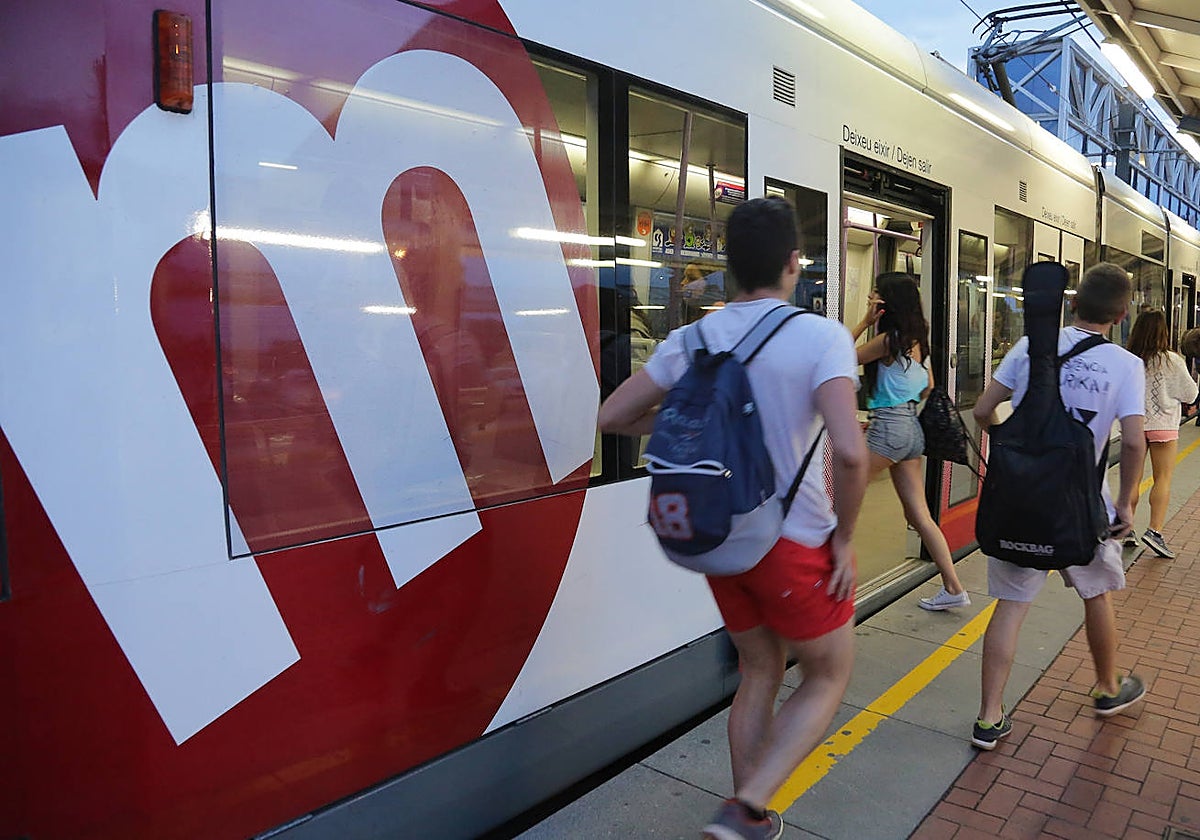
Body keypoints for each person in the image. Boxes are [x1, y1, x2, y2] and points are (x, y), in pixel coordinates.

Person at [598, 197, 868, 840]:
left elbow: (612, 418)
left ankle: (751, 815)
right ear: (793, 263)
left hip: (715, 534)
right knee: (829, 672)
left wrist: (689, 427)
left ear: (730, 265)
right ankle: (746, 807)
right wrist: (847, 539)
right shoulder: (821, 336)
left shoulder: (692, 338)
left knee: (760, 669)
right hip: (790, 540)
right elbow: (852, 454)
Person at [969, 262, 1147, 751]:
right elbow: (1134, 443)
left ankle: (988, 718)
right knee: (1096, 595)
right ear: (1122, 313)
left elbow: (985, 412)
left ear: (1073, 303)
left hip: (1023, 502)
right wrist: (1128, 504)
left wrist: (1012, 447)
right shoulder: (1126, 365)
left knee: (1010, 607)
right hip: (1083, 507)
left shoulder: (1029, 346)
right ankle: (1109, 688)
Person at [852, 273, 970, 611]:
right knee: (919, 514)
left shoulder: (889, 340)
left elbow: (840, 355)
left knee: (839, 504)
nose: (871, 298)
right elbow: (928, 386)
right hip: (912, 431)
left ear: (887, 302)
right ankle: (953, 587)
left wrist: (864, 321)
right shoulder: (919, 340)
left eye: (875, 294)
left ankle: (830, 593)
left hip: (888, 429)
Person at [1126, 308, 1198, 558]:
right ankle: (1154, 532)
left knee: (1131, 480)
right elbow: (1191, 394)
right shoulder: (1172, 360)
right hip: (1163, 426)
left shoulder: (1128, 359)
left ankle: (1126, 528)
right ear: (1163, 332)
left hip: (1133, 424)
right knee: (1163, 478)